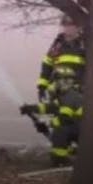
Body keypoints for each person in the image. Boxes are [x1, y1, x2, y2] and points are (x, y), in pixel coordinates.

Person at [32, 13, 86, 166]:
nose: (68, 28)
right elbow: (47, 65)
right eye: (65, 25)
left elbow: (92, 69)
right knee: (58, 121)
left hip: (77, 91)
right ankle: (62, 155)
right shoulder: (57, 44)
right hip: (57, 90)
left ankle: (75, 153)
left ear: (78, 27)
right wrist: (42, 85)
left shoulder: (84, 43)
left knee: (71, 121)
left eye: (71, 25)